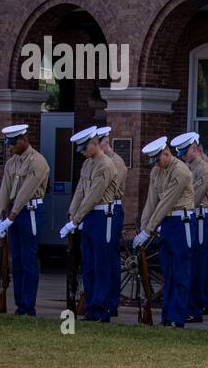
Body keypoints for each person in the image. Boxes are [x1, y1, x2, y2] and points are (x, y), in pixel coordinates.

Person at [134, 135, 195, 328]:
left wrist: (149, 230)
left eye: (158, 159)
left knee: (180, 272)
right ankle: (167, 316)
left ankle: (177, 317)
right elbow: (151, 201)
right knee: (168, 272)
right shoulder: (156, 171)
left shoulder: (181, 172)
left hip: (180, 221)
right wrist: (144, 227)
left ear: (166, 153)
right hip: (166, 222)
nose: (157, 164)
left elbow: (166, 202)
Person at [61, 126, 120, 322]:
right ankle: (91, 307)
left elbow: (94, 195)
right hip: (88, 217)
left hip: (102, 216)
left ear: (94, 144)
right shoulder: (87, 164)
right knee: (89, 265)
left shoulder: (106, 165)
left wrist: (77, 219)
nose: (83, 152)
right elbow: (80, 191)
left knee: (101, 263)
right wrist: (72, 214)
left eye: (85, 148)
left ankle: (101, 307)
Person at [0, 123, 49, 316]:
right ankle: (19, 303)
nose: (10, 148)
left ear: (23, 140)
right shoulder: (12, 162)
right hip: (13, 214)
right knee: (15, 259)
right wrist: (1, 215)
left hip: (30, 211)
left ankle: (28, 305)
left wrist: (11, 216)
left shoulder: (37, 161)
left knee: (28, 259)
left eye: (13, 144)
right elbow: (4, 189)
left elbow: (26, 192)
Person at [176, 132, 208, 319]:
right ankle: (199, 301)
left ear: (198, 149)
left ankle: (205, 301)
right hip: (198, 216)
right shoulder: (190, 167)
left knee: (205, 262)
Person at [171, 132, 208, 323]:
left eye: (185, 151)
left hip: (199, 217)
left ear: (194, 149)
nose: (181, 156)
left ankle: (195, 307)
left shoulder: (204, 169)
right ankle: (187, 305)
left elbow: (194, 197)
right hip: (189, 218)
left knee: (197, 264)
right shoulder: (188, 167)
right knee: (188, 263)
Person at [97, 127, 127, 317]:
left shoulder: (116, 163)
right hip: (99, 210)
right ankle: (102, 299)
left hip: (111, 208)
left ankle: (111, 301)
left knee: (110, 256)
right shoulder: (98, 161)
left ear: (105, 143)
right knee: (100, 257)